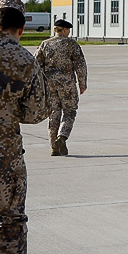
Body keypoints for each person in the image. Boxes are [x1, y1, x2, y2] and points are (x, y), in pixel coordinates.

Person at [0, 0, 49, 254]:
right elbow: (37, 112)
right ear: (22, 28)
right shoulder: (24, 59)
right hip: (3, 154)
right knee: (9, 219)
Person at [34, 19, 87, 156]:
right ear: (63, 30)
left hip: (50, 84)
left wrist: (39, 84)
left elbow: (36, 65)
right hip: (67, 84)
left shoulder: (45, 44)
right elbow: (80, 65)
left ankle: (54, 147)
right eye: (68, 30)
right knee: (70, 112)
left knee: (53, 113)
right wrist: (82, 83)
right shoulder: (71, 44)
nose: (69, 32)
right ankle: (62, 137)